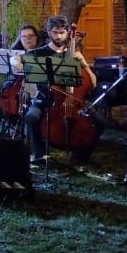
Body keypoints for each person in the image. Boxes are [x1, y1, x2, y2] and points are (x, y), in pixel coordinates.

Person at [23, 15, 97, 165]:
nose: (58, 36)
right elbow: (36, 80)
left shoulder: (74, 54)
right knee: (31, 117)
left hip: (75, 99)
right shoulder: (37, 54)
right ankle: (39, 155)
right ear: (48, 32)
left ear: (68, 32)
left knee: (100, 121)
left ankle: (82, 156)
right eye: (55, 32)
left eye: (62, 32)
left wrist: (85, 64)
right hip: (46, 98)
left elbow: (93, 83)